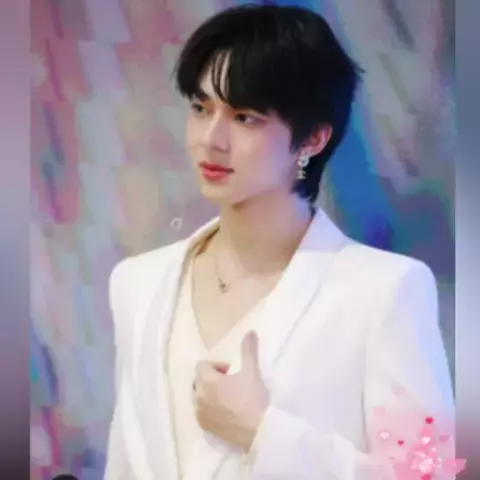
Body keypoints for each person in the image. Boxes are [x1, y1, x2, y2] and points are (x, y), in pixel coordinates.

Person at [104, 4, 455, 480]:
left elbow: (426, 472)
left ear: (313, 139)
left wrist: (264, 434)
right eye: (201, 109)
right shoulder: (139, 283)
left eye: (244, 118)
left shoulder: (384, 292)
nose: (211, 139)